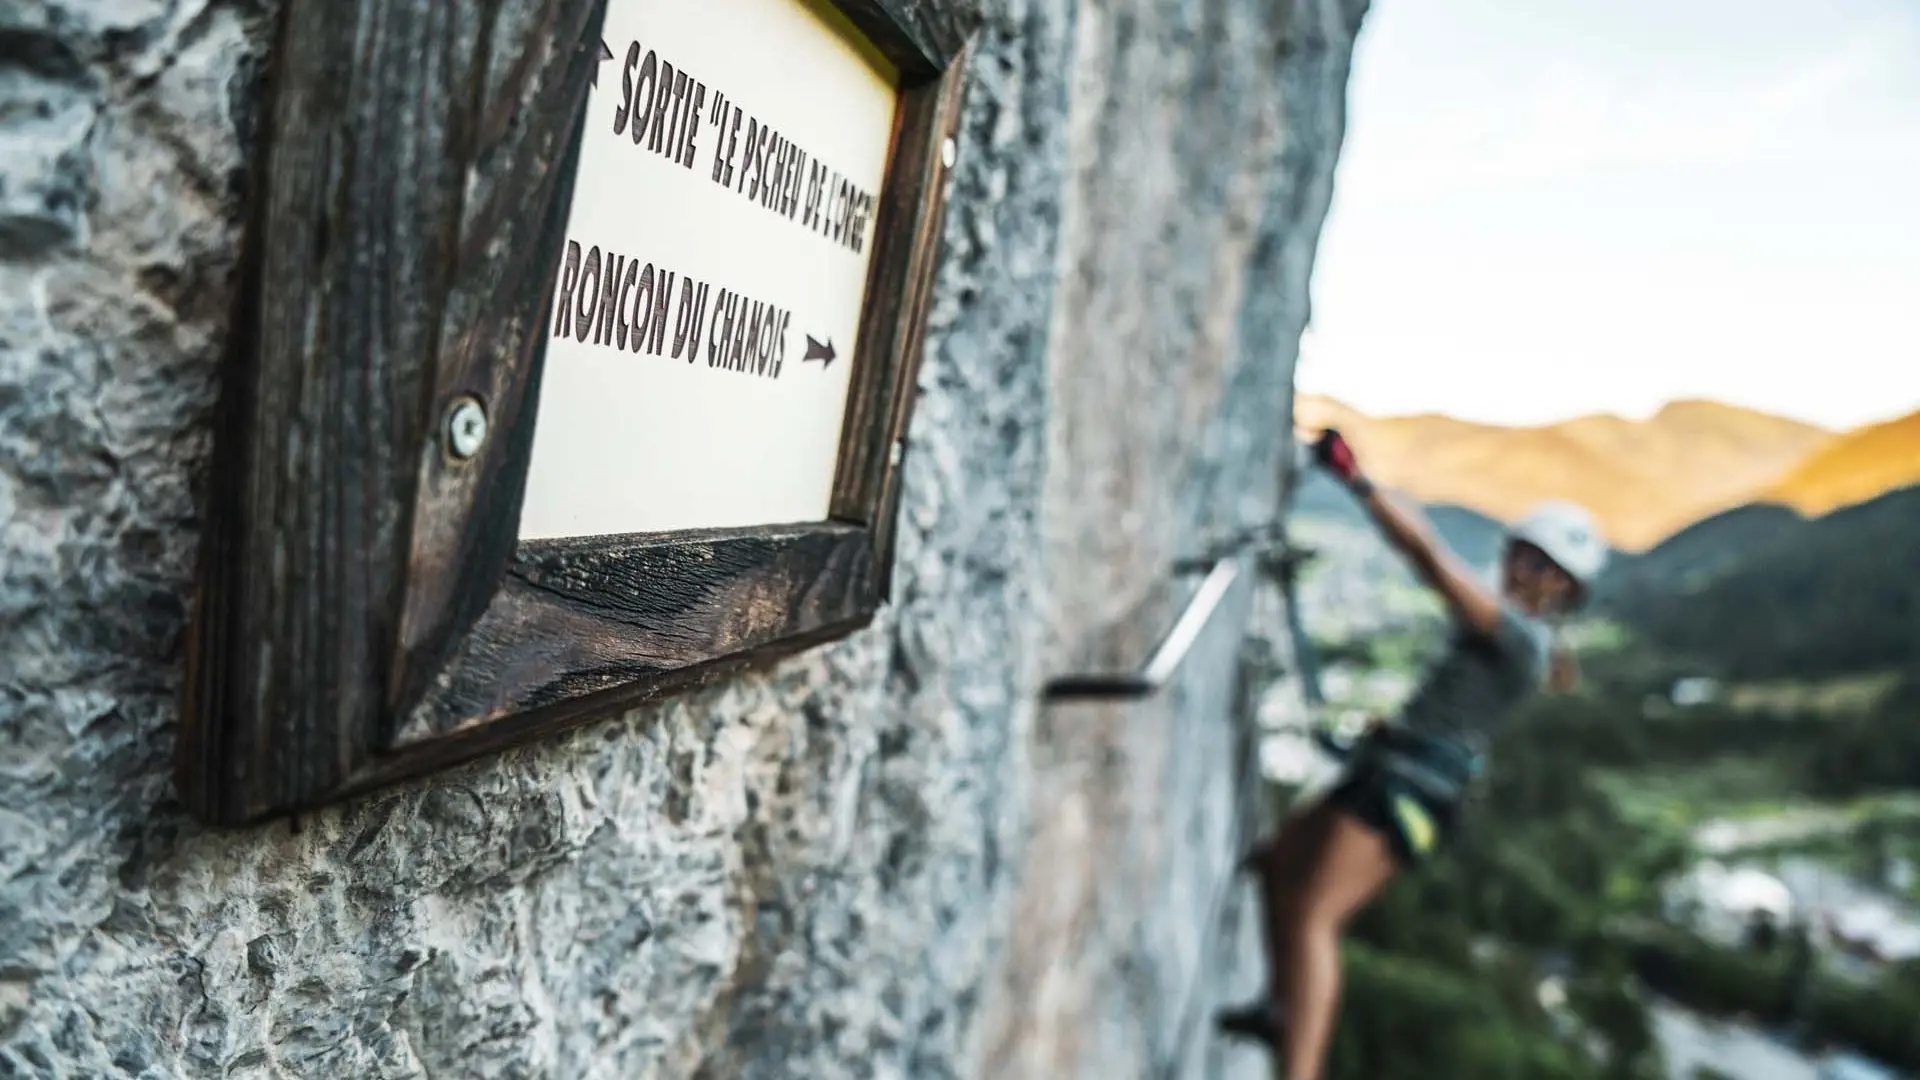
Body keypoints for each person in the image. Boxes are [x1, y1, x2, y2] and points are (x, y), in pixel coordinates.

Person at [1216, 428, 1609, 1080]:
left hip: (1405, 789)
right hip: (1398, 771)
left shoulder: (1520, 638)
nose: (1529, 572)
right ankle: (1284, 1010)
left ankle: (1299, 1066)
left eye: (1547, 570)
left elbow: (1428, 557)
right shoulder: (1523, 641)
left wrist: (1358, 481)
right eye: (1527, 556)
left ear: (1563, 592)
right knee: (1280, 863)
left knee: (1315, 915)